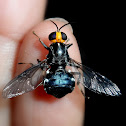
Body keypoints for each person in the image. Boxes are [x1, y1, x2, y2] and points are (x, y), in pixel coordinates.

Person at [0, 1, 84, 126]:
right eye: (54, 36)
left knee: (35, 69)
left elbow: (33, 71)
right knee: (80, 72)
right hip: (64, 81)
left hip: (52, 81)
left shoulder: (48, 51)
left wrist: (39, 41)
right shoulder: (68, 52)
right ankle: (81, 92)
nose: (59, 38)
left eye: (61, 37)